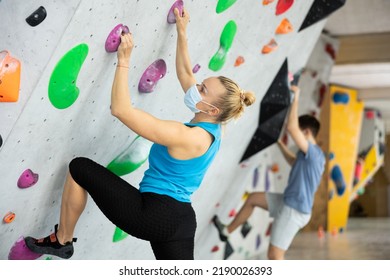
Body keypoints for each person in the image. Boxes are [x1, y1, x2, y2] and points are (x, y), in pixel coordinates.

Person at [24, 8, 255, 260]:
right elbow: (186, 74)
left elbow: (121, 110)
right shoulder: (216, 125)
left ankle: (63, 240)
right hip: (181, 220)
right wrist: (181, 31)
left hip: (154, 215)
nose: (196, 86)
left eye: (202, 88)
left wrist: (124, 60)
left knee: (79, 168)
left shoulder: (188, 136)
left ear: (211, 108)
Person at [212, 86, 325, 260]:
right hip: (290, 202)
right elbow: (292, 161)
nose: (296, 136)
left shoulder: (315, 153)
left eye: (300, 133)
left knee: (275, 255)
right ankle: (226, 232)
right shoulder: (308, 157)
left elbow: (292, 128)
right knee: (253, 199)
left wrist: (296, 97)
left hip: (294, 210)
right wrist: (279, 143)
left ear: (307, 132)